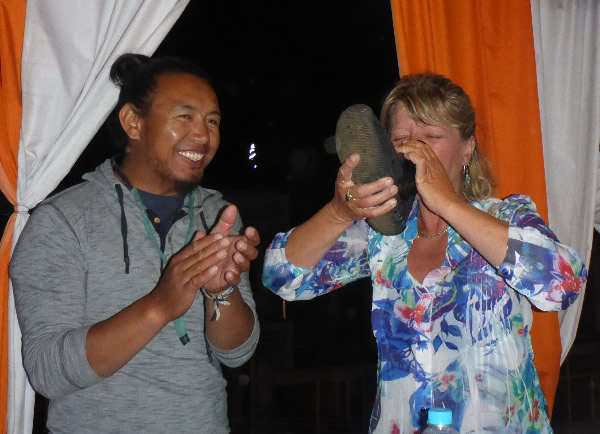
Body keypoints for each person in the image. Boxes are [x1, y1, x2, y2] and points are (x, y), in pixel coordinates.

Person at [262, 73, 587, 433]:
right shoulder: (383, 237)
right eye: (400, 140)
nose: (413, 150)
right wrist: (339, 212)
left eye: (431, 137)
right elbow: (282, 276)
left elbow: (564, 283)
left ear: (467, 148)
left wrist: (448, 202)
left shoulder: (506, 216)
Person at [10, 53, 260, 433]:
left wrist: (221, 293)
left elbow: (237, 353)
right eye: (185, 116)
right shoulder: (62, 220)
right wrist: (159, 306)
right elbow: (47, 371)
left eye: (212, 121)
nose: (204, 135)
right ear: (133, 122)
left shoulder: (218, 216)